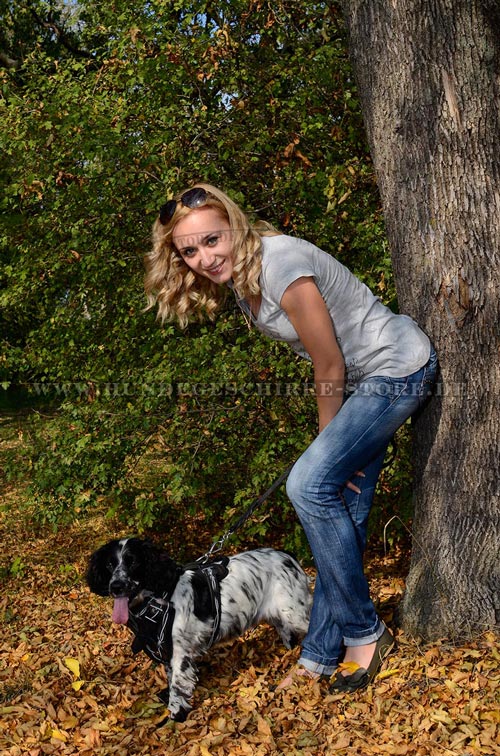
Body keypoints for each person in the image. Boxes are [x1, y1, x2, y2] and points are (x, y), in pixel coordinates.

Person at [144, 183, 438, 692]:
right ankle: (320, 656)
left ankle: (365, 633)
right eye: (189, 251)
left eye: (212, 240)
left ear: (233, 224)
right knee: (342, 514)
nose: (204, 258)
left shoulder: (279, 261)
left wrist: (329, 455)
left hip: (397, 369)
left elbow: (329, 362)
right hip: (363, 388)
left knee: (307, 483)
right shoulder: (243, 277)